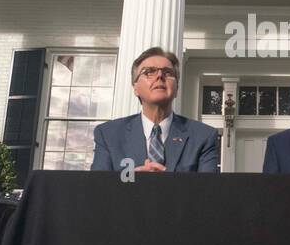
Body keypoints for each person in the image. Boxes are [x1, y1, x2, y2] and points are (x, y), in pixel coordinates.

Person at [90, 47, 220, 172]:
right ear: (135, 88)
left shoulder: (204, 137)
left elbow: (208, 192)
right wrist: (131, 184)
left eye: (167, 72)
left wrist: (167, 183)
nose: (159, 76)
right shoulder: (108, 135)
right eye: (149, 72)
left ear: (176, 89)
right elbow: (98, 189)